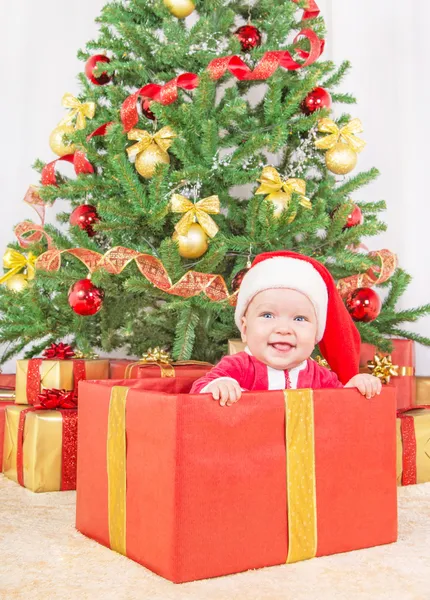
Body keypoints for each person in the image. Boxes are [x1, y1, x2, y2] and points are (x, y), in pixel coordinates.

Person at [191, 250, 382, 406]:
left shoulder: (319, 377)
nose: (283, 329)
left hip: (301, 452)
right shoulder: (239, 367)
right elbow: (198, 390)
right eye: (267, 315)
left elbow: (340, 407)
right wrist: (218, 386)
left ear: (316, 332)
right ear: (244, 328)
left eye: (299, 318)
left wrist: (355, 387)